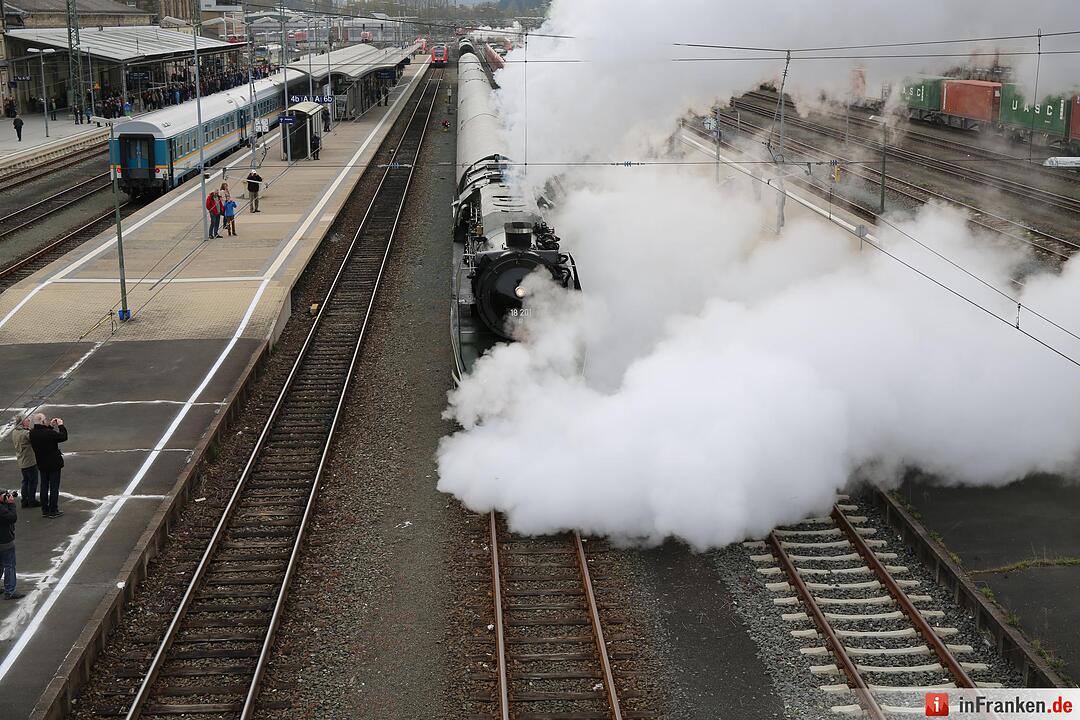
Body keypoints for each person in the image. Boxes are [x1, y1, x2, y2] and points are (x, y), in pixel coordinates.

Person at [29, 414, 66, 518]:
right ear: (42, 421)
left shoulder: (32, 433)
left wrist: (50, 426)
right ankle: (53, 510)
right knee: (54, 487)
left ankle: (45, 510)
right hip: (53, 464)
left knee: (44, 486)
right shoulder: (49, 433)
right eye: (45, 419)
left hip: (41, 463)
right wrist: (60, 425)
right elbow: (63, 436)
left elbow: (44, 434)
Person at [11, 416, 39, 509]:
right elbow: (35, 438)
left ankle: (24, 500)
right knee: (33, 481)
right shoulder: (25, 433)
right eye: (27, 420)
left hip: (22, 461)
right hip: (30, 461)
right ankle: (31, 500)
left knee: (25, 481)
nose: (29, 421)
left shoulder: (15, 432)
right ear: (22, 422)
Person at [0, 491, 23, 600]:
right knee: (9, 565)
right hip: (4, 540)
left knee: (0, 564)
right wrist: (11, 504)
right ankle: (10, 591)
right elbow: (12, 517)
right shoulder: (2, 510)